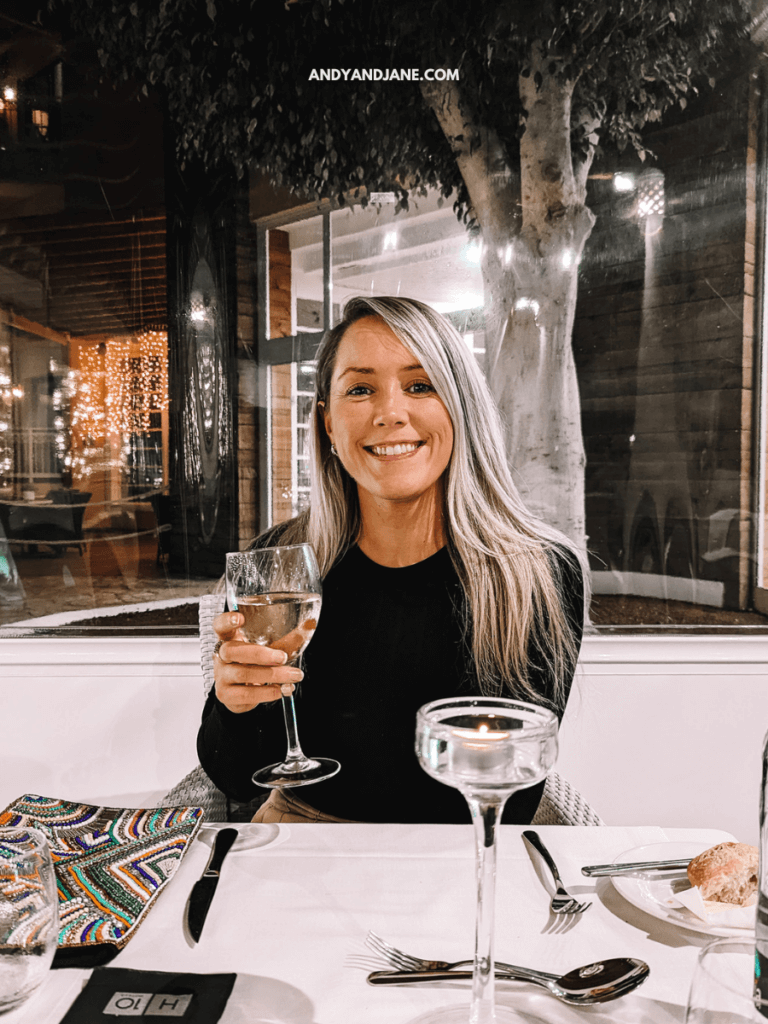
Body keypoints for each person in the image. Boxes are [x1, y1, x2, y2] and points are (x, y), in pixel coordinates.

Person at [197, 296, 586, 824]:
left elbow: (512, 794)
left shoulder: (535, 573)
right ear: (329, 423)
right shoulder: (278, 566)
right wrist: (236, 705)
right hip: (302, 843)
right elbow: (234, 777)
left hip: (462, 852)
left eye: (420, 385)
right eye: (360, 389)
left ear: (460, 407)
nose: (390, 413)